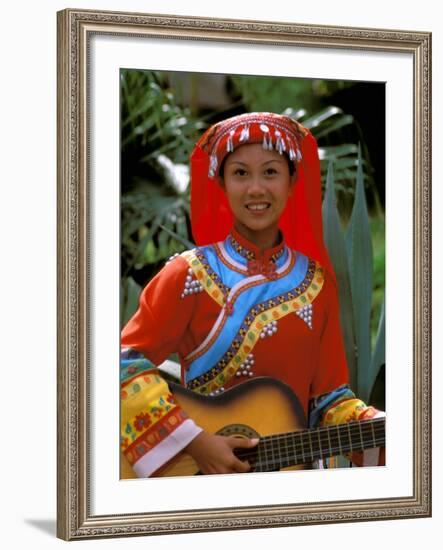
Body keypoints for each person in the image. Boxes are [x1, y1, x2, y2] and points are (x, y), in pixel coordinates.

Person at [120, 112, 384, 478]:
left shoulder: (316, 283)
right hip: (203, 480)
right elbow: (119, 364)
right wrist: (193, 442)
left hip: (293, 478)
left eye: (271, 172)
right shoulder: (187, 274)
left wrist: (380, 427)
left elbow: (327, 401)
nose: (256, 188)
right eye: (241, 173)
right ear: (222, 183)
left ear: (293, 181)